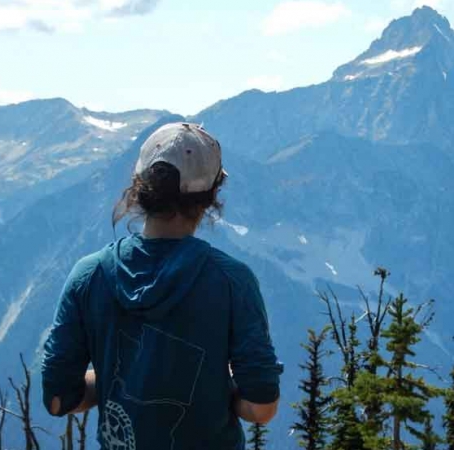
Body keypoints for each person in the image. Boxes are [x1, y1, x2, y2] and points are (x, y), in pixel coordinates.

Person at [41, 122, 282, 450]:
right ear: (211, 196)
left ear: (139, 185)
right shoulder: (232, 281)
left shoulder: (89, 275)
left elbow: (58, 399)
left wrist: (125, 374)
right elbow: (261, 407)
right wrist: (209, 381)